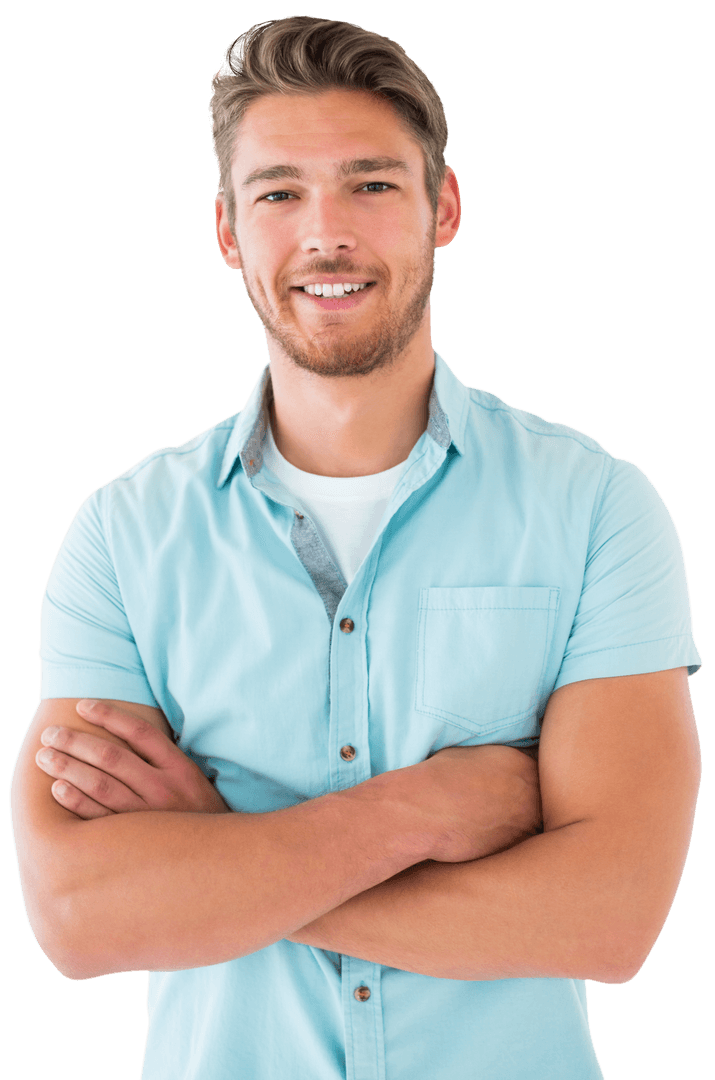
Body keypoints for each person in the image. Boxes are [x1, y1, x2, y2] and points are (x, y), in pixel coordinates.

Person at [10, 15, 702, 1080]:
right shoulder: (122, 535)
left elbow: (611, 920)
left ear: (445, 208)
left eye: (371, 184)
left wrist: (220, 857)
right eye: (279, 192)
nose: (324, 233)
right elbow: (79, 917)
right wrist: (424, 809)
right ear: (228, 231)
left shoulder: (596, 507)